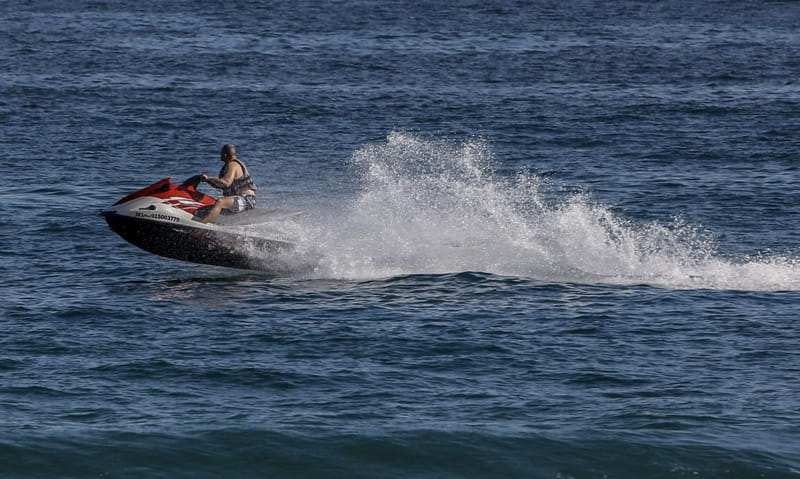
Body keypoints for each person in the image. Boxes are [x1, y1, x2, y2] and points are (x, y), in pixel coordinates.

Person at [198, 144, 258, 224]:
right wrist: (207, 180)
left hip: (247, 200)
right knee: (207, 209)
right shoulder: (227, 166)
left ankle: (200, 225)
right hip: (238, 199)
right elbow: (220, 186)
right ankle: (209, 225)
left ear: (225, 154)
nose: (220, 155)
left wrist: (209, 178)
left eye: (221, 153)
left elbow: (226, 182)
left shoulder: (233, 164)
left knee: (221, 201)